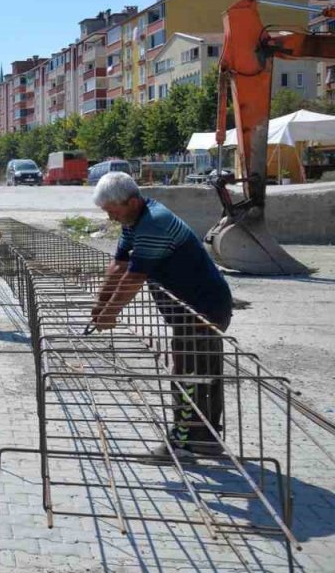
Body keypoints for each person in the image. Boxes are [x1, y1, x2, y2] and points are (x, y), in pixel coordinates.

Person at [90, 172, 232, 460]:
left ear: (130, 202)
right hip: (191, 310)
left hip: (202, 310)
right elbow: (119, 264)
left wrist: (110, 314)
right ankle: (206, 439)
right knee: (200, 373)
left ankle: (183, 443)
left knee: (189, 375)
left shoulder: (154, 223)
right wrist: (100, 304)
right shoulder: (135, 221)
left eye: (112, 211)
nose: (110, 218)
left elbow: (135, 277)